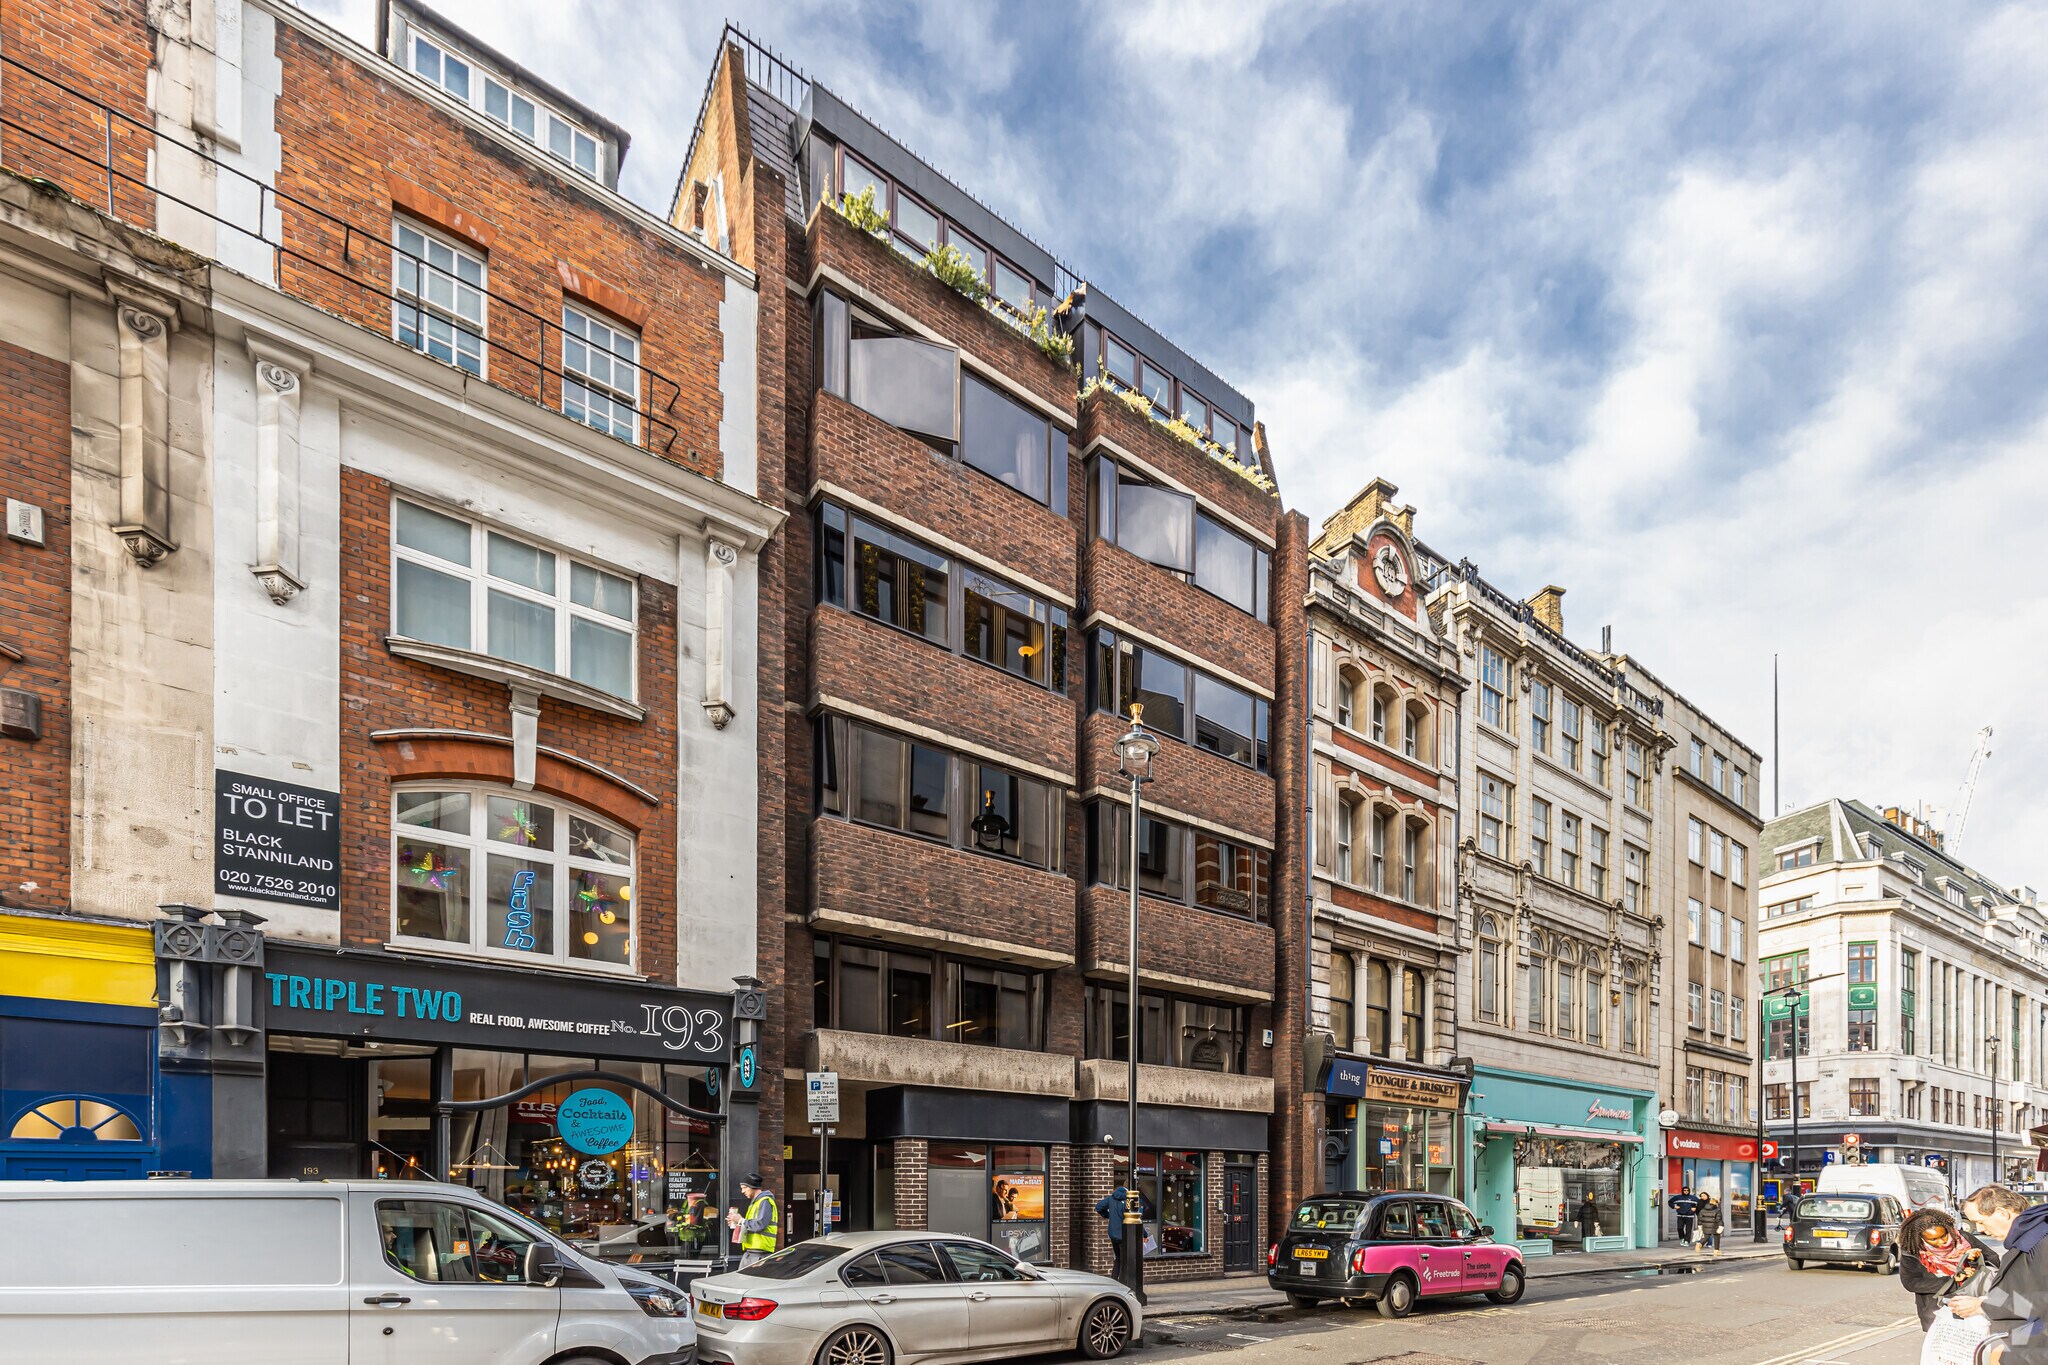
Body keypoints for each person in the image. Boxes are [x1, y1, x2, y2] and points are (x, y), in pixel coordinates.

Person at [1947, 1184, 2042, 1365]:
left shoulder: (2038, 1242)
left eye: (1981, 1222)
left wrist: (1982, 1305)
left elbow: (2040, 1304)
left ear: (2002, 1213)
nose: (1980, 1229)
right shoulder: (2024, 1241)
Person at [1899, 1205, 1992, 1331]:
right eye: (1933, 1239)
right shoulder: (1912, 1250)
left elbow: (1993, 1265)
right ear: (1921, 1238)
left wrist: (1973, 1261)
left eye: (1943, 1236)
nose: (1941, 1242)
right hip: (1935, 1312)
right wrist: (1952, 1281)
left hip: (1971, 1308)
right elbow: (1911, 1283)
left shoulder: (1965, 1240)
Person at [726, 1173, 780, 1268]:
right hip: (751, 1252)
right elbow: (751, 1225)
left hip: (760, 1254)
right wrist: (737, 1223)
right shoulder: (755, 1203)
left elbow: (760, 1225)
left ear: (752, 1186)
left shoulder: (765, 1202)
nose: (742, 1191)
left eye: (744, 1187)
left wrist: (741, 1220)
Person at [1095, 1182, 1156, 1258]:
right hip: (1125, 1235)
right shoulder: (1130, 1201)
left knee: (1118, 1259)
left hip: (1113, 1235)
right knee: (1126, 1261)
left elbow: (1098, 1207)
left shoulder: (1111, 1198)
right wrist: (1145, 1235)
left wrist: (1109, 1215)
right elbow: (1137, 1219)